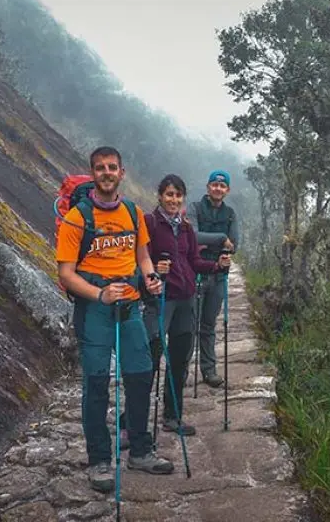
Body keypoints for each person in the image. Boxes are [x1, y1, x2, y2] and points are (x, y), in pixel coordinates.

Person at [56, 146, 174, 493]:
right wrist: (99, 295)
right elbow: (65, 273)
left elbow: (141, 255)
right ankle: (99, 461)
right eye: (100, 168)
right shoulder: (77, 218)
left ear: (122, 172)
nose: (107, 172)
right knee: (96, 385)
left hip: (131, 306)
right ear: (93, 173)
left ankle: (139, 450)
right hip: (94, 309)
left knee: (140, 376)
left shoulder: (133, 213)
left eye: (112, 167)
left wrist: (150, 277)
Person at [144, 174, 231, 435]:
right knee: (149, 360)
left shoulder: (185, 228)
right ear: (160, 196)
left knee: (179, 361)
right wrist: (154, 270)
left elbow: (194, 261)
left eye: (178, 195)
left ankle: (173, 417)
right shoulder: (149, 223)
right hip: (160, 300)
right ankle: (132, 422)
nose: (173, 199)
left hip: (185, 300)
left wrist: (216, 266)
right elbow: (142, 258)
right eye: (169, 194)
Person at [186, 169, 240, 388]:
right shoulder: (195, 208)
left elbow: (235, 245)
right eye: (214, 185)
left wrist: (209, 243)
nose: (218, 188)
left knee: (208, 325)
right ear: (208, 187)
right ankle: (180, 371)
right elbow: (192, 237)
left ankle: (209, 371)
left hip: (218, 276)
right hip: (195, 273)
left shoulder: (230, 214)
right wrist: (221, 238)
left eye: (222, 186)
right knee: (188, 326)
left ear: (227, 190)